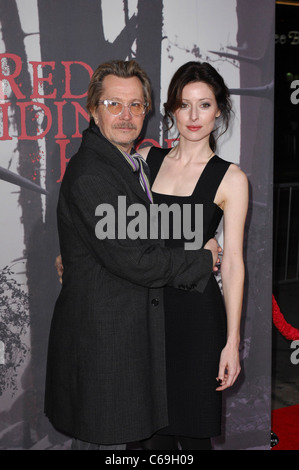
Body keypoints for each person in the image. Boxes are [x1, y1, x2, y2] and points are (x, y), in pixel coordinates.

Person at [44, 59, 221, 450]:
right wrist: (204, 258)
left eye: (136, 105)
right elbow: (135, 259)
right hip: (105, 348)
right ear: (93, 109)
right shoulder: (93, 173)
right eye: (113, 104)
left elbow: (141, 235)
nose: (126, 116)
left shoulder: (133, 163)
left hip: (133, 340)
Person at [136, 61, 248, 450]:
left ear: (219, 109)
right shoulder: (145, 160)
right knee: (143, 442)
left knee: (195, 440)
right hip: (143, 317)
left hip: (198, 322)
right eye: (184, 105)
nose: (194, 116)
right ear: (171, 110)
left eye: (204, 105)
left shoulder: (231, 178)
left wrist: (232, 342)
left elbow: (233, 262)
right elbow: (122, 233)